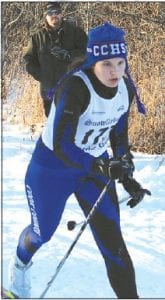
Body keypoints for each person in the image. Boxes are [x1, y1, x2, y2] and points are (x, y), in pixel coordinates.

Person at [9, 22, 151, 298]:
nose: (115, 71)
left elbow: (118, 135)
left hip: (94, 169)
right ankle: (19, 266)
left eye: (120, 63)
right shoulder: (76, 87)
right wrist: (100, 165)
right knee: (42, 233)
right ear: (93, 61)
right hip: (52, 169)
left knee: (114, 245)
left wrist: (127, 175)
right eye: (106, 64)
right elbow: (62, 144)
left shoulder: (125, 88)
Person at [23, 2, 87, 117]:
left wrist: (69, 56)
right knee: (53, 126)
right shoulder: (37, 37)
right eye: (50, 13)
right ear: (45, 16)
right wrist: (42, 75)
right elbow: (28, 59)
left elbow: (87, 52)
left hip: (73, 89)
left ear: (62, 14)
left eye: (57, 12)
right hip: (49, 91)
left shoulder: (76, 32)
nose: (54, 15)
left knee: (72, 126)